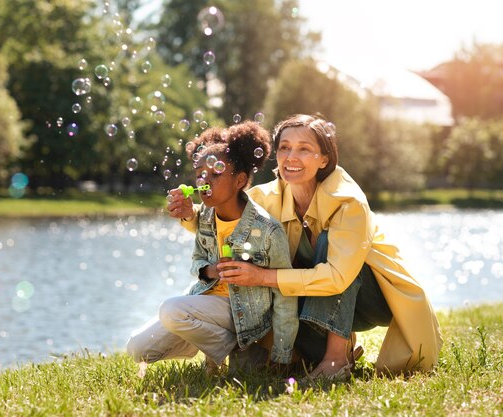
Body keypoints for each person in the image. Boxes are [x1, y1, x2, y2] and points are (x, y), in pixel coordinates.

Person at [168, 114, 443, 380]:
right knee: (259, 360)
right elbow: (228, 217)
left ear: (324, 158)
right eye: (285, 148)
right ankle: (327, 350)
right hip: (319, 296)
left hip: (373, 299)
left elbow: (338, 277)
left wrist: (262, 277)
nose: (291, 157)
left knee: (325, 242)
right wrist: (189, 215)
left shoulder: (347, 201)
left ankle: (334, 359)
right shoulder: (268, 196)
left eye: (304, 149)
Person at [126, 121, 299, 372]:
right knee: (137, 349)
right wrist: (211, 271)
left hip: (245, 312)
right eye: (199, 173)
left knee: (171, 309)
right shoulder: (206, 216)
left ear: (240, 180)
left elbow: (285, 294)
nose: (204, 180)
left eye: (215, 174)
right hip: (206, 302)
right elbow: (198, 260)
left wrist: (282, 355)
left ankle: (243, 348)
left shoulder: (268, 230)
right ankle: (224, 347)